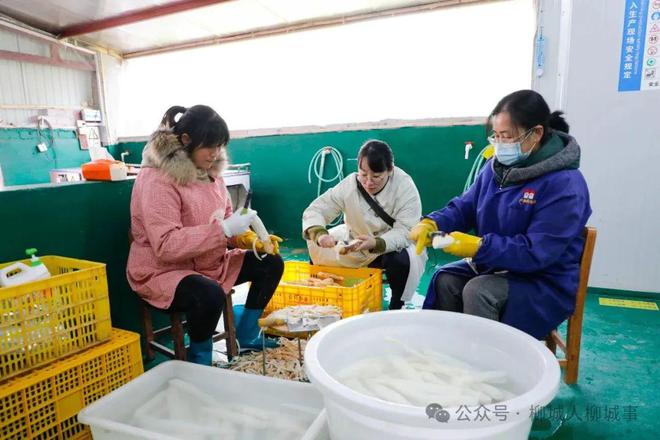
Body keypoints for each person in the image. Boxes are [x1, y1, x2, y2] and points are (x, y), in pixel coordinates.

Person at [410, 90, 591, 339]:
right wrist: (432, 222)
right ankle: (450, 348)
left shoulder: (565, 184)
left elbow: (536, 252)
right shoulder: (495, 169)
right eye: (496, 136)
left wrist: (479, 247)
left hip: (543, 281)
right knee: (446, 279)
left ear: (536, 133)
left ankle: (487, 358)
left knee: (479, 291)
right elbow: (465, 206)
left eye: (506, 136)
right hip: (497, 265)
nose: (500, 144)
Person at [127, 105, 283, 365]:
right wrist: (223, 230)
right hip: (164, 270)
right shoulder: (157, 179)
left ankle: (247, 333)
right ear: (186, 140)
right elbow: (166, 245)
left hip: (209, 263)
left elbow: (227, 217)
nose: (215, 153)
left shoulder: (211, 173)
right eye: (209, 146)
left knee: (271, 263)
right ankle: (199, 358)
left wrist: (246, 239)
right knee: (208, 293)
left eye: (219, 146)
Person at [302, 140, 427, 309]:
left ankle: (397, 304)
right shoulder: (349, 185)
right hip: (356, 241)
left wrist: (376, 243)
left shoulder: (404, 187)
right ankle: (323, 297)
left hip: (391, 243)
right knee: (316, 248)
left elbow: (406, 230)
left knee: (401, 260)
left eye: (376, 177)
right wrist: (319, 234)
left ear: (390, 170)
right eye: (363, 174)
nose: (368, 182)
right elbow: (317, 209)